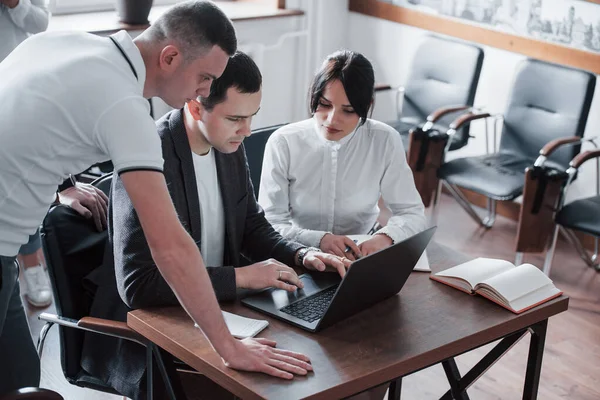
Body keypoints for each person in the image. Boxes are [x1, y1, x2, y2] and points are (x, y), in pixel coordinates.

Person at [0, 1, 310, 395]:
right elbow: (171, 249)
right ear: (170, 57)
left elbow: (31, 118)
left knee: (21, 381)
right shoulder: (127, 112)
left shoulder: (64, 44)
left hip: (6, 256)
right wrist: (229, 348)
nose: (206, 91)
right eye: (205, 77)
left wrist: (63, 182)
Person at [82, 51, 350, 400]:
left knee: (323, 358)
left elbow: (251, 224)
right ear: (195, 107)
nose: (247, 130)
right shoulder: (146, 157)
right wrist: (241, 277)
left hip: (220, 308)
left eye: (252, 117)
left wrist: (301, 254)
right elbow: (138, 286)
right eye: (236, 118)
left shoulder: (228, 142)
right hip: (156, 329)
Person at [259, 49, 427, 262]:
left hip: (361, 257)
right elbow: (270, 225)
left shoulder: (384, 140)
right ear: (313, 97)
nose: (332, 120)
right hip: (298, 254)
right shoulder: (284, 142)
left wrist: (385, 238)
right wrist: (319, 240)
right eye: (324, 105)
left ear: (365, 108)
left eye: (347, 111)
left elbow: (411, 212)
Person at [1, 0, 56, 308]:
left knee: (22, 182)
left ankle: (33, 267)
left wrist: (16, 3)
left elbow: (42, 22)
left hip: (16, 89)